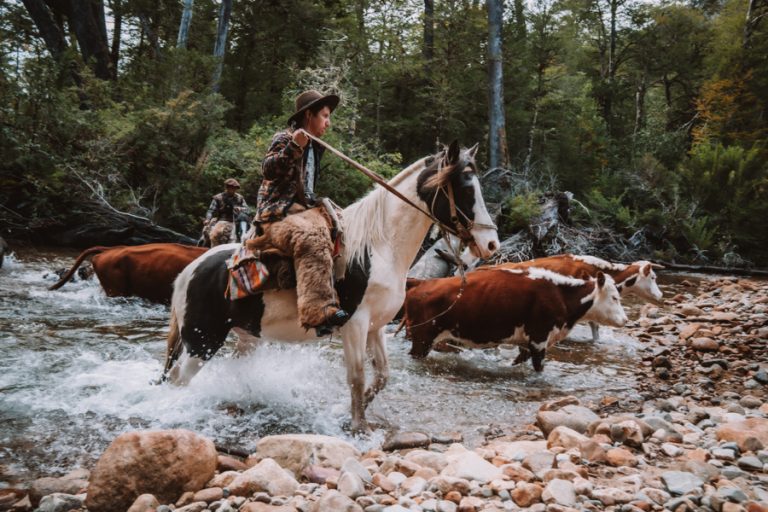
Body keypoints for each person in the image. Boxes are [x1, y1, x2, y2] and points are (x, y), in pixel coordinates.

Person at [252, 89, 349, 336]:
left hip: (300, 211)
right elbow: (268, 170)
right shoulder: (285, 138)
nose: (329, 122)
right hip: (276, 215)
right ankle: (317, 311)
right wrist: (295, 146)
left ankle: (346, 295)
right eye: (325, 116)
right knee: (312, 237)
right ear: (308, 115)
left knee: (346, 224)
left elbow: (305, 191)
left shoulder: (316, 148)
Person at [203, 178, 250, 246]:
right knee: (212, 235)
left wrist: (240, 209)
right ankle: (208, 248)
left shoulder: (240, 198)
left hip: (236, 221)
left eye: (235, 188)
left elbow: (247, 209)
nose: (233, 189)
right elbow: (211, 210)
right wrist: (208, 219)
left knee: (243, 237)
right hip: (221, 220)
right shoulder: (218, 197)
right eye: (231, 187)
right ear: (227, 187)